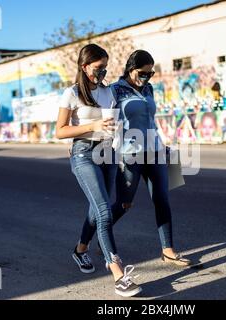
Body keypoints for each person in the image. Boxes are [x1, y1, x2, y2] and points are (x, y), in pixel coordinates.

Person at [82, 50, 192, 268]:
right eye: (143, 73)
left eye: (150, 74)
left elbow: (150, 119)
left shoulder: (149, 88)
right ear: (130, 69)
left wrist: (162, 144)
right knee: (124, 204)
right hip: (128, 153)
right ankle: (89, 239)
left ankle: (168, 250)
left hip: (155, 151)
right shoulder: (114, 90)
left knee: (162, 200)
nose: (146, 77)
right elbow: (103, 121)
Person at [56, 44, 142, 298]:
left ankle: (81, 250)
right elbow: (60, 130)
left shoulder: (107, 93)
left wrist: (120, 149)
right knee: (104, 211)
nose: (102, 74)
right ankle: (118, 273)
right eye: (97, 69)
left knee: (97, 209)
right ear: (84, 67)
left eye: (105, 68)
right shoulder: (71, 93)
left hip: (108, 153)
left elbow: (114, 125)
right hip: (83, 154)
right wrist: (92, 124)